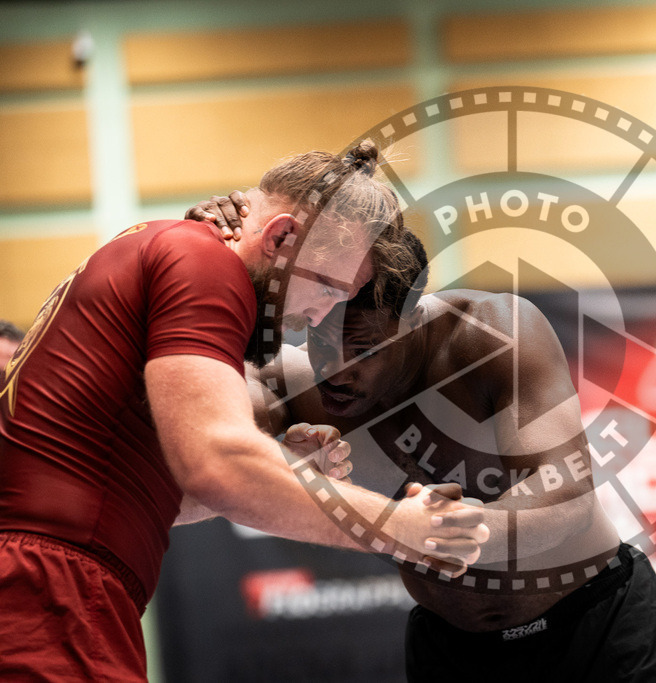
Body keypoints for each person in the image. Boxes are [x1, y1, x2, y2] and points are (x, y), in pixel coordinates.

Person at [0, 142, 488, 681]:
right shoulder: (205, 261)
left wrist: (282, 472)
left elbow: (170, 495)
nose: (315, 316)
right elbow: (219, 464)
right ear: (280, 236)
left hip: (48, 584)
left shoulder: (161, 245)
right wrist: (403, 528)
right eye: (326, 287)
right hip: (48, 589)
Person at [196, 185, 656, 680]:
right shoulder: (298, 385)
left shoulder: (492, 335)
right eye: (320, 342)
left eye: (364, 349)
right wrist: (214, 255)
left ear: (414, 320)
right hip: (453, 648)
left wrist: (447, 532)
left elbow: (567, 495)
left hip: (595, 623)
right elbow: (189, 421)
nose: (335, 371)